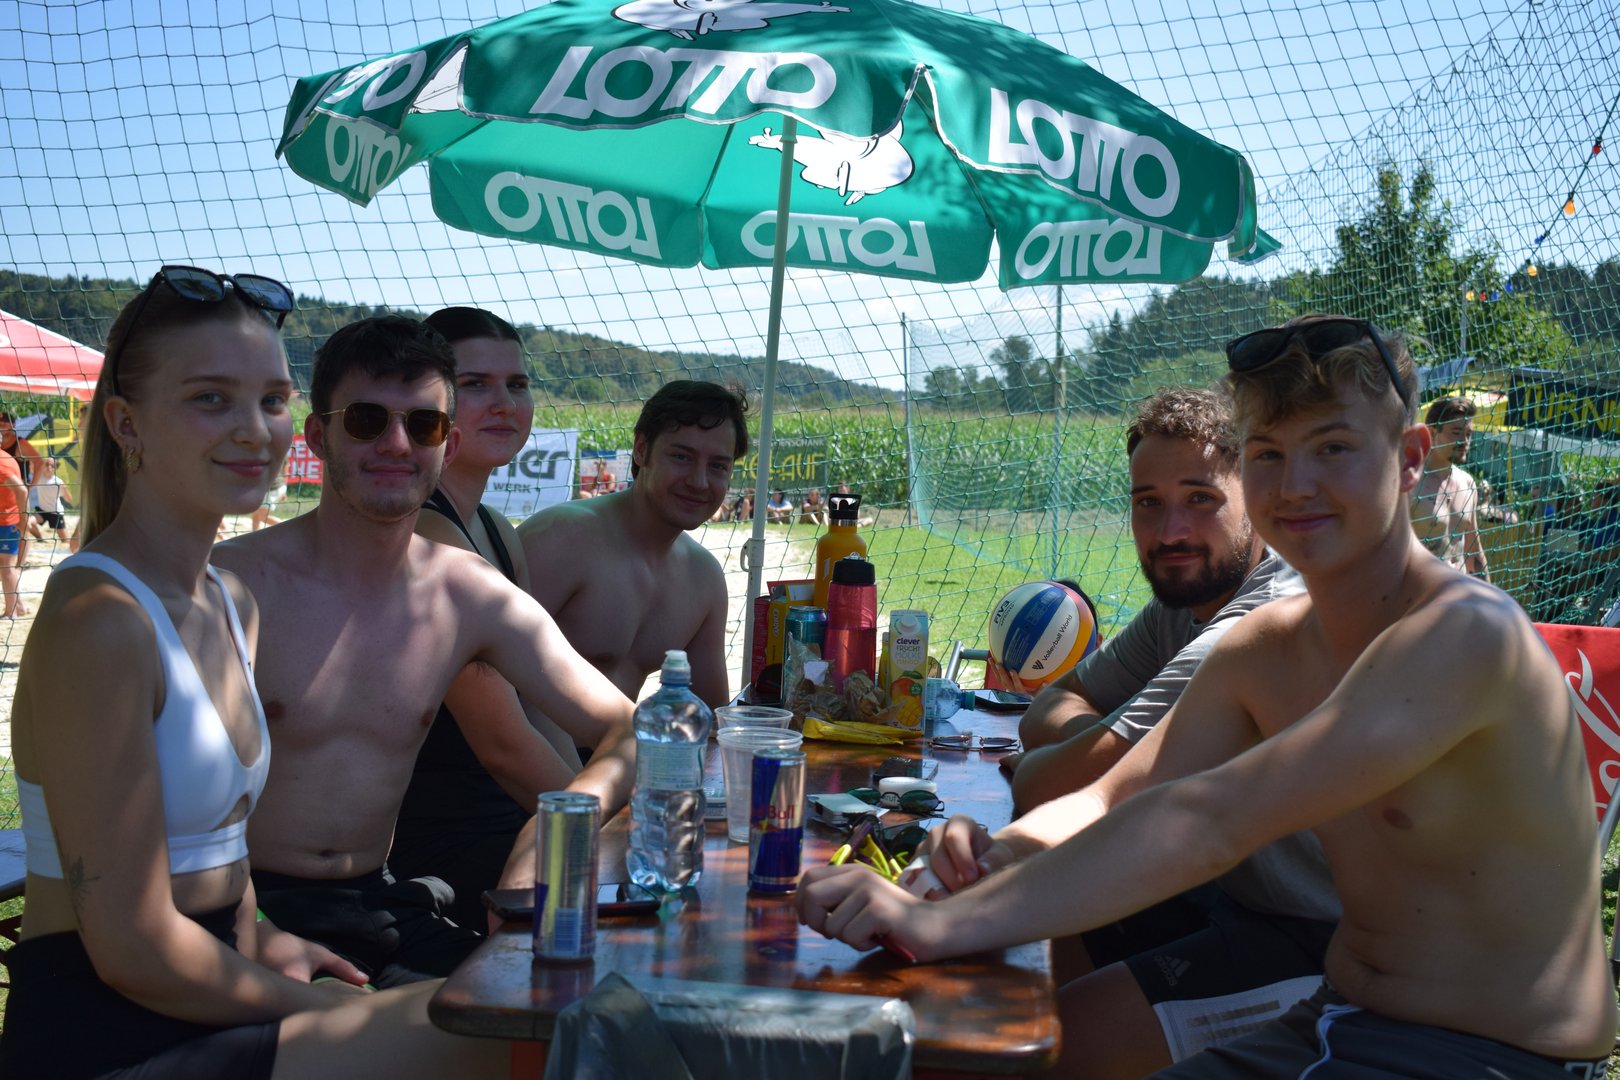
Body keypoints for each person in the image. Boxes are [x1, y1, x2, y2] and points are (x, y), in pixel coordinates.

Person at [799, 316, 1617, 1078]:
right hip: (1341, 1016)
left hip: (1489, 1054)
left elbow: (1210, 821)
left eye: (1333, 447)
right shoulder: (1266, 645)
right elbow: (1114, 796)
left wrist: (938, 925)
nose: (1295, 485)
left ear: (1409, 458)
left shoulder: (1465, 632)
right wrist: (990, 861)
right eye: (1268, 453)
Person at [0, 265, 507, 1078]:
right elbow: (131, 947)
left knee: (542, 1009)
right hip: (110, 1027)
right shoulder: (99, 618)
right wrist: (338, 1015)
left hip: (211, 985)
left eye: (271, 400)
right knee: (515, 1031)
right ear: (126, 424)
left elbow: (218, 858)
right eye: (211, 399)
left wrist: (266, 942)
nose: (253, 430)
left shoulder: (230, 601)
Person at [212, 315, 636, 987]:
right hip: (245, 910)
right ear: (318, 436)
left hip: (380, 904)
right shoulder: (231, 585)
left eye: (424, 425)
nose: (396, 443)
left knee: (584, 1007)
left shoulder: (465, 591)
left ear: (448, 443)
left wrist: (556, 828)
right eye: (366, 421)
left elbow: (634, 730)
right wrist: (252, 929)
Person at [992, 387, 1328, 1075]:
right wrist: (1097, 741)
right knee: (1026, 957)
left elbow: (1053, 785)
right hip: (1225, 895)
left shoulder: (1258, 619)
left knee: (1054, 1043)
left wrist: (1079, 756)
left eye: (1201, 498)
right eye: (1148, 501)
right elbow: (1051, 705)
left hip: (1321, 939)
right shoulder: (1183, 603)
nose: (1171, 530)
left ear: (1257, 499)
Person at [389, 306, 593, 931]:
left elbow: (544, 705)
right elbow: (504, 744)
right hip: (447, 841)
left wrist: (595, 794)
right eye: (476, 384)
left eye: (517, 384)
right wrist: (600, 831)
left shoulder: (498, 530)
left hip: (514, 813)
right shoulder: (425, 531)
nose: (505, 403)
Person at [507, 380, 744, 889]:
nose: (699, 481)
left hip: (612, 779)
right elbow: (494, 697)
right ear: (640, 449)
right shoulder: (564, 537)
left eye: (718, 466)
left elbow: (708, 725)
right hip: (511, 789)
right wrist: (595, 813)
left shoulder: (703, 578)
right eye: (681, 456)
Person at [1411, 395, 1489, 580]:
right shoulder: (1411, 482)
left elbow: (1473, 550)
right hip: (1419, 590)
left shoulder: (1467, 484)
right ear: (1431, 433)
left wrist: (1488, 593)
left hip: (1457, 590)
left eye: (1468, 434)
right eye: (1456, 432)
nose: (1464, 441)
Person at [0, 436, 27, 616]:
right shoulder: (5, 457)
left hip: (6, 522)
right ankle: (19, 607)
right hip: (7, 520)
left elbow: (21, 490)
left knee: (7, 567)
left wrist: (23, 519)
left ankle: (11, 613)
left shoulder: (1, 463)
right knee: (6, 566)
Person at [26, 454, 73, 545]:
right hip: (42, 511)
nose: (49, 467)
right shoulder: (39, 476)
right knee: (28, 522)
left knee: (65, 540)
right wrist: (43, 461)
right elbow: (31, 465)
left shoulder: (58, 482)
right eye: (47, 464)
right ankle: (40, 539)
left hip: (55, 512)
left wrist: (64, 488)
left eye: (52, 466)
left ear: (55, 469)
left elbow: (68, 499)